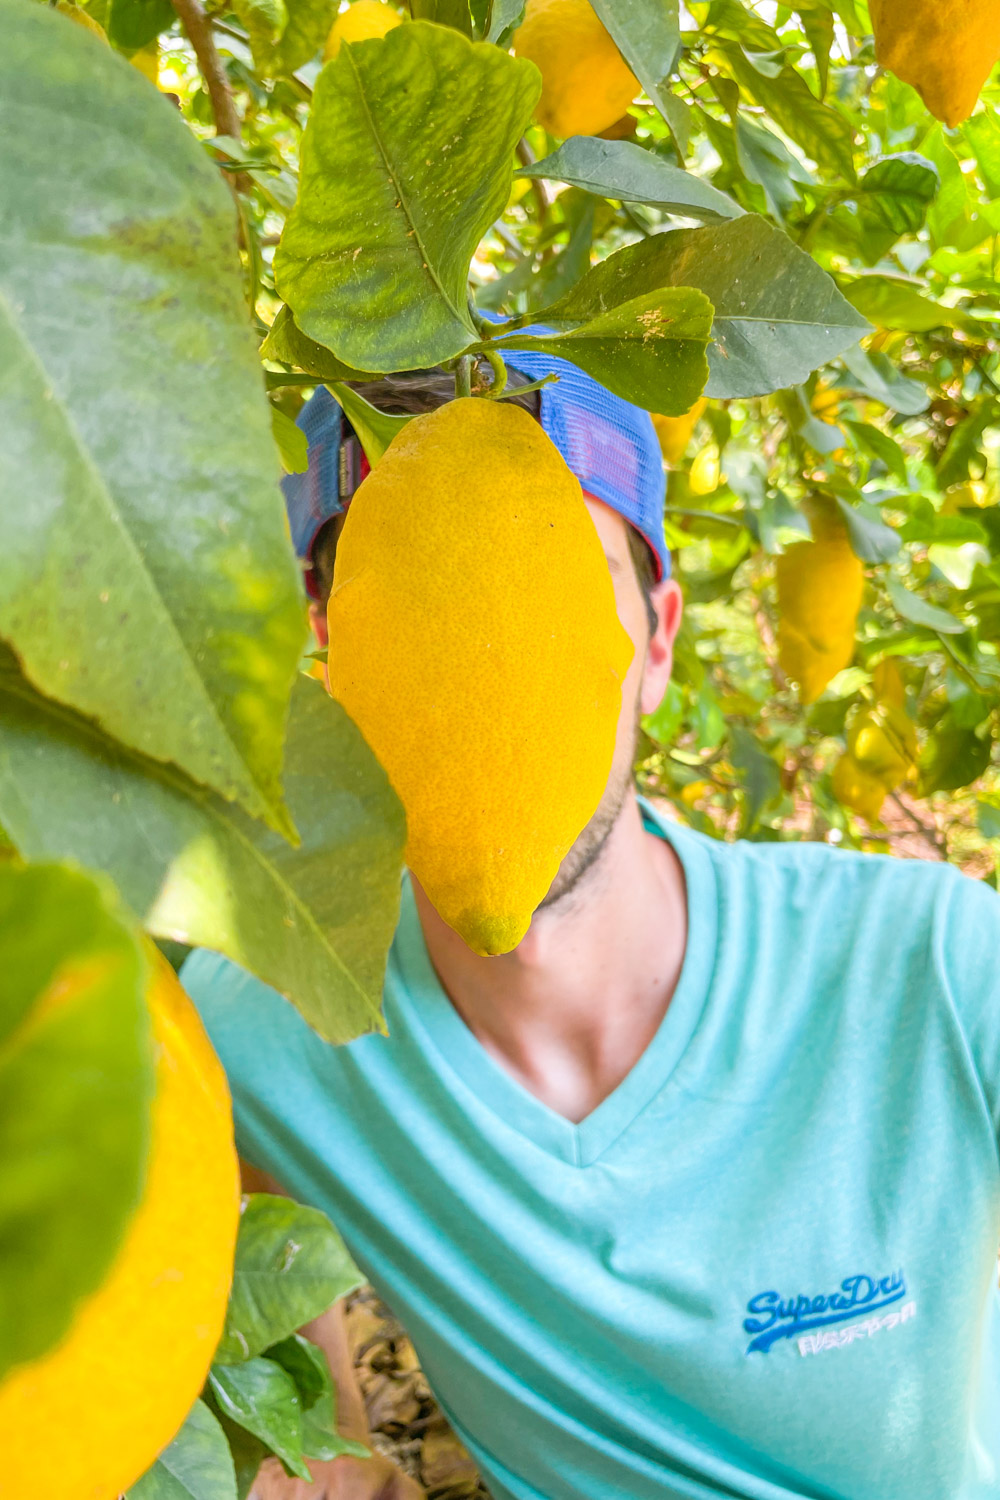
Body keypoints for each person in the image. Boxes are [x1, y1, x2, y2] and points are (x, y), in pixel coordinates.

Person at [183, 353, 1000, 1500]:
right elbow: (251, 1170)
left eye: (555, 591)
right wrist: (328, 1441)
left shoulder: (935, 972)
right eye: (415, 601)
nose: (487, 672)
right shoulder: (274, 1009)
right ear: (333, 645)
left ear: (655, 641)